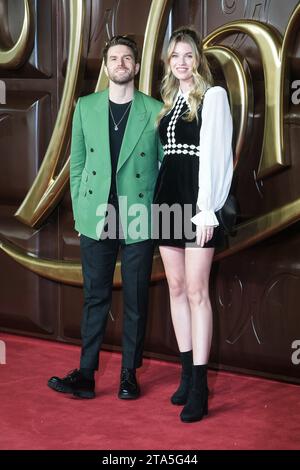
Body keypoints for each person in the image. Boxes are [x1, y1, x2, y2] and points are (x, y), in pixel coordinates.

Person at [48, 36, 163, 400]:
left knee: (135, 298)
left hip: (138, 215)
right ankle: (85, 375)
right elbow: (77, 164)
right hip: (96, 214)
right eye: (114, 58)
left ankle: (129, 374)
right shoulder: (86, 106)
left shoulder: (155, 109)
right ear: (106, 66)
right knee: (95, 297)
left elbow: (164, 165)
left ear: (137, 67)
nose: (120, 63)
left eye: (127, 58)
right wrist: (82, 207)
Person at [153, 27, 233, 422]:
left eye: (187, 55)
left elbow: (219, 156)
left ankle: (200, 386)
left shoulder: (213, 97)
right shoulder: (168, 102)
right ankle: (185, 375)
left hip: (196, 200)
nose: (181, 62)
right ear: (169, 63)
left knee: (198, 291)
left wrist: (207, 209)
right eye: (174, 56)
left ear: (197, 59)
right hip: (166, 195)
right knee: (177, 286)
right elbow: (166, 157)